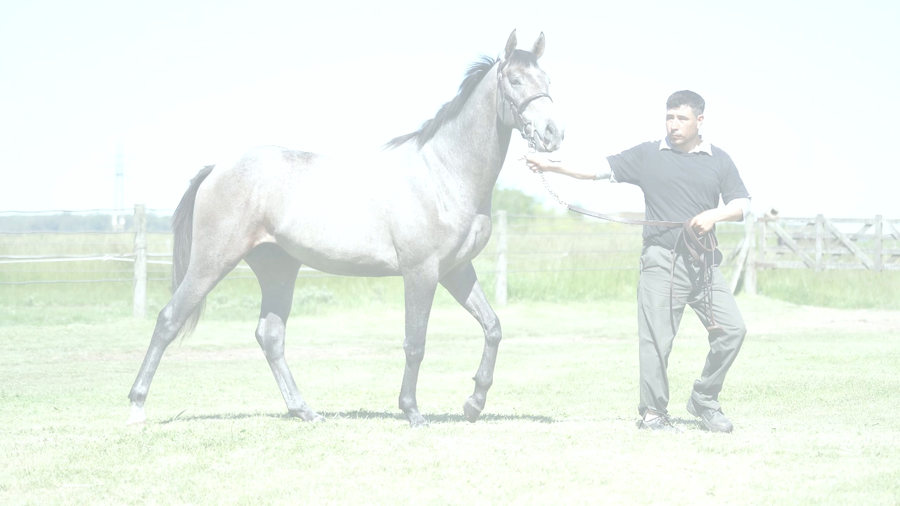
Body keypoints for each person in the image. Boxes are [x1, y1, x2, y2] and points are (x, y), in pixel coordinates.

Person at [523, 90, 750, 433]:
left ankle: (704, 399)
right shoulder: (648, 155)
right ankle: (654, 414)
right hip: (660, 261)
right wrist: (551, 165)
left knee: (733, 330)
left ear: (699, 121)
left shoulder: (719, 160)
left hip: (703, 263)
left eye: (682, 119)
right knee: (657, 341)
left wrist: (714, 216)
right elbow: (596, 169)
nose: (673, 125)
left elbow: (743, 204)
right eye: (669, 117)